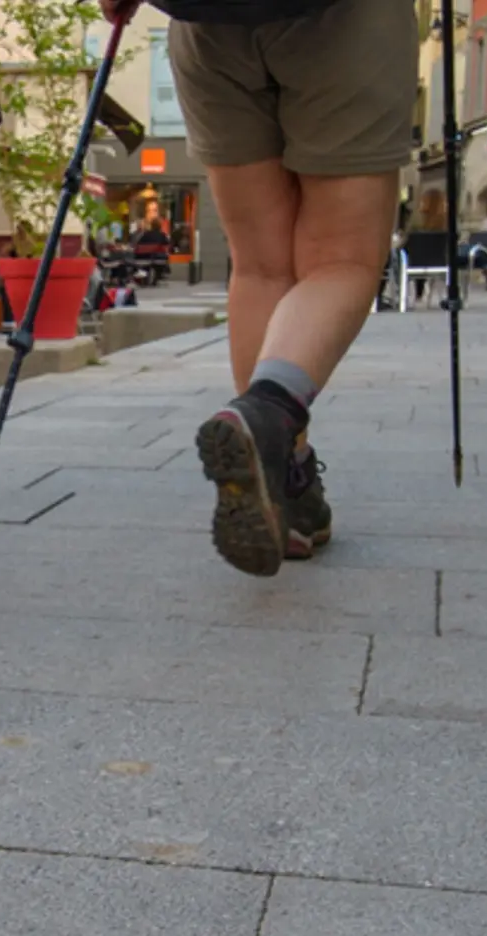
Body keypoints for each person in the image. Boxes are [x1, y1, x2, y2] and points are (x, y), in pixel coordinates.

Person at [105, 0, 416, 576]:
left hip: (205, 24)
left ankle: (288, 478)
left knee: (259, 265)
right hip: (341, 19)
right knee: (341, 259)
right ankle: (271, 415)